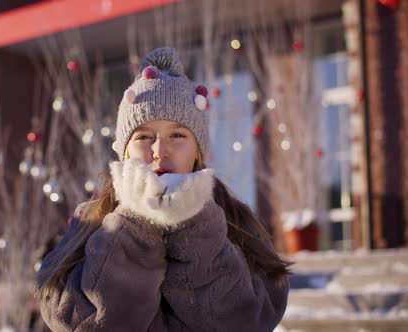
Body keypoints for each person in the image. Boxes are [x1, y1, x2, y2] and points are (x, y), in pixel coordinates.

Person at [36, 47, 291, 332]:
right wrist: (133, 222)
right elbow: (73, 320)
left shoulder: (237, 220)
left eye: (178, 135)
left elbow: (251, 319)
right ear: (124, 151)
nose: (159, 151)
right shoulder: (89, 220)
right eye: (144, 136)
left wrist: (195, 222)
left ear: (198, 151)